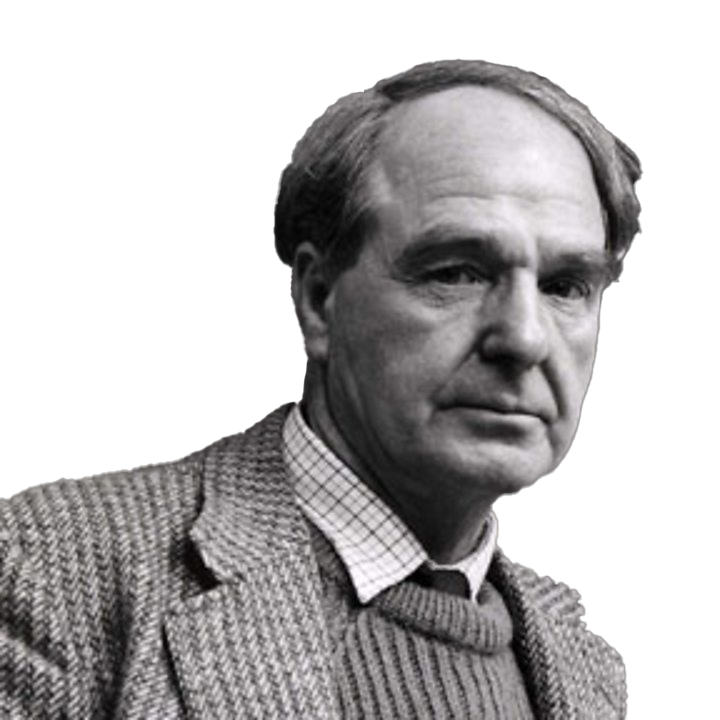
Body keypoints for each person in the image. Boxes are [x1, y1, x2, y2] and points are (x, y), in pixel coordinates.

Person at [0, 59, 643, 719]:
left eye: (565, 286)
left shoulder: (584, 667)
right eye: (456, 272)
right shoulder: (53, 569)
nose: (526, 338)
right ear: (318, 299)